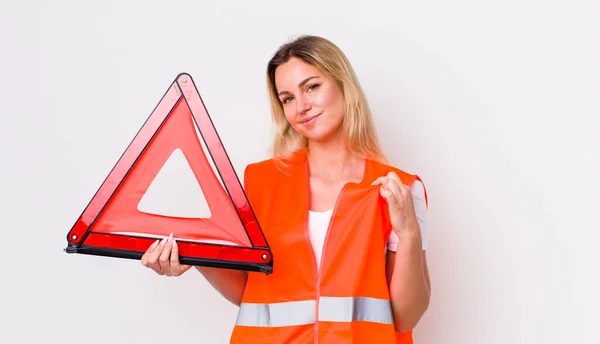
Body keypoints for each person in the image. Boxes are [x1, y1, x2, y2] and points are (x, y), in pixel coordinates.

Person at [141, 35, 431, 343]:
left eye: (312, 87)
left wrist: (409, 232)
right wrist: (197, 258)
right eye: (288, 98)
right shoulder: (261, 182)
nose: (301, 107)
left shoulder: (398, 189)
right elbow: (249, 292)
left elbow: (405, 316)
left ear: (343, 85)